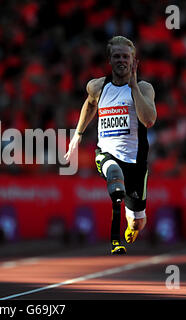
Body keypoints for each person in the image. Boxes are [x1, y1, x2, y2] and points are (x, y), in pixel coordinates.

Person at [65, 36, 156, 254]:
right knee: (113, 172)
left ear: (134, 61)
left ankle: (131, 215)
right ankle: (115, 236)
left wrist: (133, 87)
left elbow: (149, 120)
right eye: (117, 56)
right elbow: (89, 104)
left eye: (126, 56)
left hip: (135, 162)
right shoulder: (97, 86)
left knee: (137, 223)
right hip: (107, 154)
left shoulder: (144, 88)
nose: (121, 60)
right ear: (110, 60)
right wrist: (78, 134)